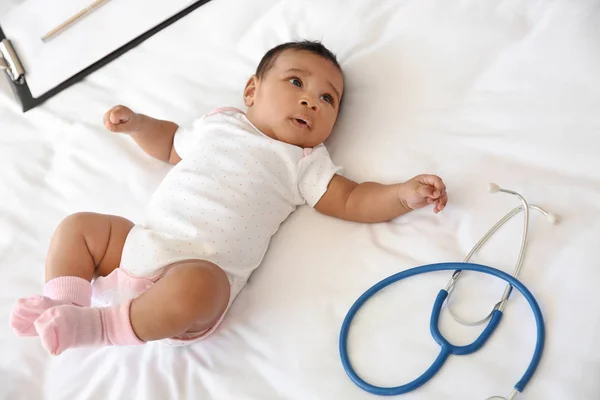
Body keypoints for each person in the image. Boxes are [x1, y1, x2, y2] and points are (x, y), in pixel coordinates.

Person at [10, 40, 448, 355]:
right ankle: (63, 306)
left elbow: (353, 200)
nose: (310, 101)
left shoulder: (304, 162)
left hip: (196, 279)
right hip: (141, 247)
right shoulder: (220, 123)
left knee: (202, 285)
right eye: (296, 81)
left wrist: (402, 194)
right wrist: (138, 124)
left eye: (327, 98)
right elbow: (169, 145)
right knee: (80, 227)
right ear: (252, 91)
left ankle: (102, 327)